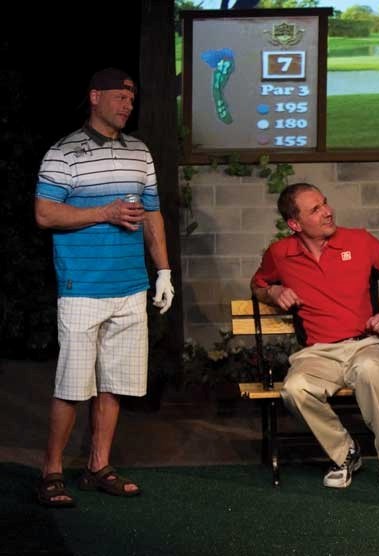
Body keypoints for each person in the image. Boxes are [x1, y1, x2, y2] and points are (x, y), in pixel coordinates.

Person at [34, 68, 174, 507]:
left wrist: (164, 271)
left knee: (114, 384)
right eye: (119, 97)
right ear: (95, 97)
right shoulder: (64, 152)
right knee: (73, 385)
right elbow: (45, 215)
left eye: (131, 98)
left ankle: (98, 466)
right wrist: (105, 212)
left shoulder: (139, 151)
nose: (127, 105)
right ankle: (52, 472)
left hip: (130, 286)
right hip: (82, 287)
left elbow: (152, 214)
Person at [250, 182, 379, 496]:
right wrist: (273, 291)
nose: (328, 212)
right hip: (319, 353)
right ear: (295, 224)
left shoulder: (361, 241)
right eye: (316, 209)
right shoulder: (280, 253)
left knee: (371, 370)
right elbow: (258, 285)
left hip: (367, 344)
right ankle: (345, 453)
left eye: (325, 203)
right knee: (294, 389)